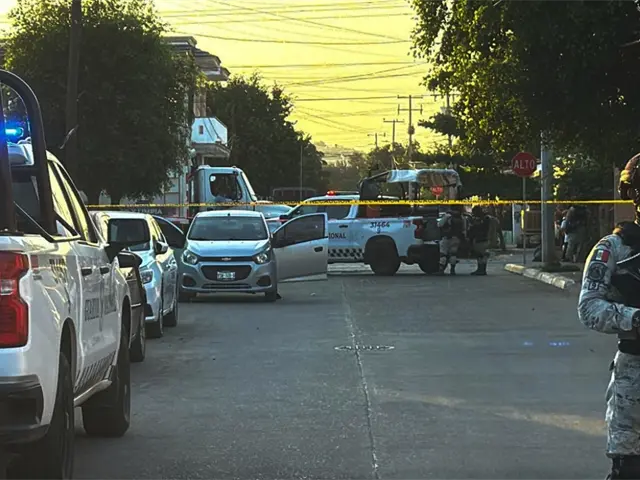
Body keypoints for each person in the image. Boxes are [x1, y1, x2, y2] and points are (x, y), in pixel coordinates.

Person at [578, 154, 640, 480]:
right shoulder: (614, 248)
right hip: (635, 374)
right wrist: (634, 318)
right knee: (629, 467)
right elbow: (589, 307)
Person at [437, 205, 466, 275]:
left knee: (443, 254)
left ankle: (441, 269)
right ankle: (452, 269)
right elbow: (464, 229)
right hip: (456, 238)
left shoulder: (447, 216)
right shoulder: (461, 217)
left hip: (446, 238)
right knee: (453, 254)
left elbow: (439, 224)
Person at [467, 205, 491, 275]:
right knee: (481, 255)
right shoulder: (484, 218)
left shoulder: (484, 219)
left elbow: (478, 228)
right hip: (482, 239)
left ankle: (481, 269)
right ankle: (481, 269)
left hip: (481, 239)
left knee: (481, 255)